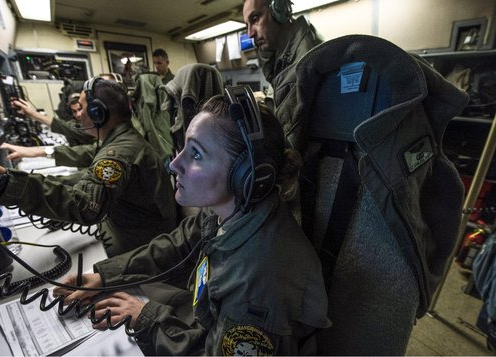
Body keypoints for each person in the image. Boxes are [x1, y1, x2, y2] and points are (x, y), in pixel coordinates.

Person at [53, 91, 330, 355]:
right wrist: (105, 275)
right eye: (184, 147)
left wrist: (146, 318)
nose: (174, 164)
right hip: (205, 322)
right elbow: (175, 243)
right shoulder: (229, 210)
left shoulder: (259, 285)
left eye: (196, 154)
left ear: (246, 176)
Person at [0, 77, 177, 257]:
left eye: (82, 108)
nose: (78, 115)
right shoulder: (118, 141)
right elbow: (85, 176)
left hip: (143, 245)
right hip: (131, 231)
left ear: (99, 113)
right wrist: (10, 178)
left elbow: (85, 206)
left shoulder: (121, 151)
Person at [243, 0, 322, 153]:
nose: (250, 33)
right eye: (247, 25)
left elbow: (288, 145)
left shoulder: (303, 62)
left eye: (255, 18)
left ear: (279, 10)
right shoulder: (283, 60)